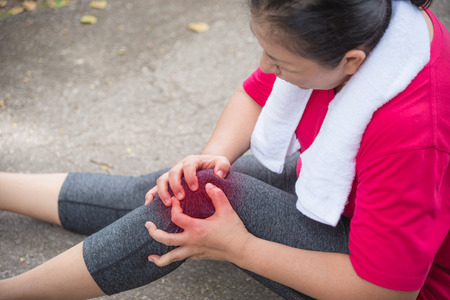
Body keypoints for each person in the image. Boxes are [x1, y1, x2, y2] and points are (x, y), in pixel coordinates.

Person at [0, 0, 449, 299]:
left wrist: (239, 247)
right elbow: (254, 94)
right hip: (356, 200)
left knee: (198, 205)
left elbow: (386, 291)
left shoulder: (412, 133)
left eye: (281, 63)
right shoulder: (369, 20)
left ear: (352, 62)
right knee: (190, 183)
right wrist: (211, 156)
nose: (265, 68)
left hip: (394, 284)